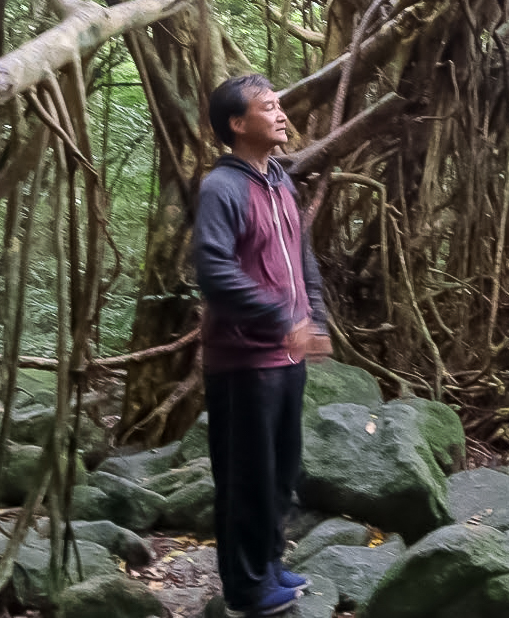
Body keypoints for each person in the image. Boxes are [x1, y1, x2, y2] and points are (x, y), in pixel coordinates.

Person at [195, 74, 332, 618]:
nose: (281, 114)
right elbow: (214, 271)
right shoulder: (221, 189)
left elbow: (304, 260)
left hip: (286, 355)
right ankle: (246, 590)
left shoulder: (279, 181)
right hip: (243, 360)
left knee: (280, 471)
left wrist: (314, 317)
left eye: (279, 105)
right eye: (268, 107)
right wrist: (280, 318)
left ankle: (270, 564)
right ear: (237, 123)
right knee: (245, 476)